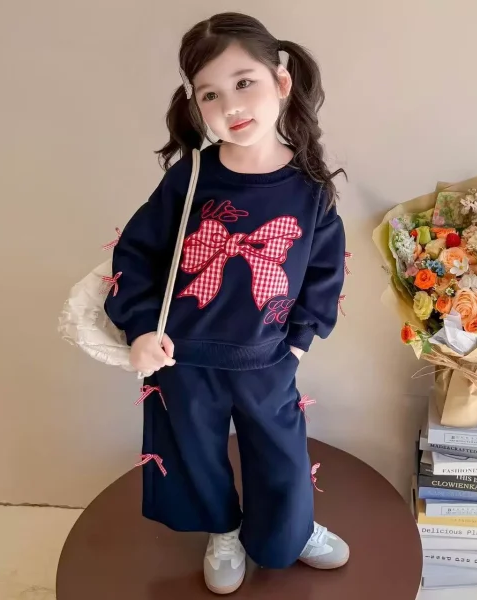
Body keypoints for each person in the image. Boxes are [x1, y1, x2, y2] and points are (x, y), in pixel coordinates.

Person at [104, 11, 348, 595]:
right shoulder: (188, 178)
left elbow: (324, 271)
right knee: (194, 453)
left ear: (280, 82)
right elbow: (135, 255)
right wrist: (141, 329)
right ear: (195, 104)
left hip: (267, 358)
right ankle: (223, 531)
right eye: (210, 94)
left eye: (244, 83)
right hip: (184, 358)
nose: (231, 106)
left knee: (281, 455)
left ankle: (291, 530)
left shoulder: (310, 189)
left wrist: (297, 342)